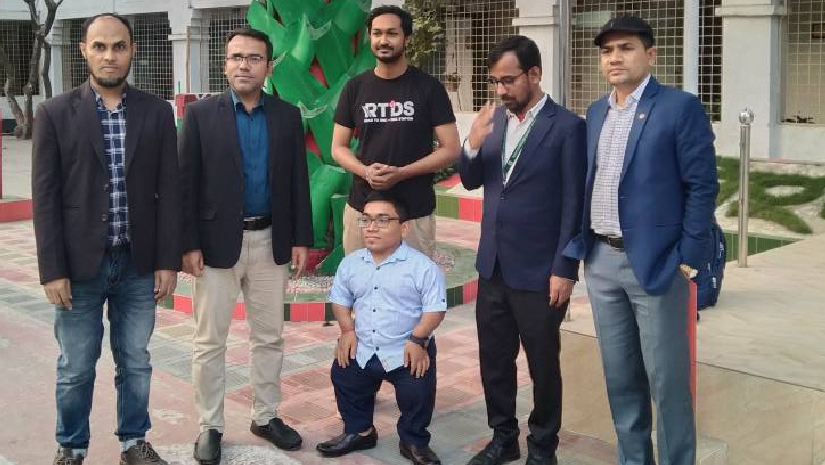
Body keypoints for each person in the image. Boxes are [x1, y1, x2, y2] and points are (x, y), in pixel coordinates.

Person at [563, 16, 719, 465]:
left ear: (650, 55)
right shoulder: (596, 111)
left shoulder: (679, 108)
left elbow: (702, 186)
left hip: (656, 264)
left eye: (626, 48)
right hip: (601, 262)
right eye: (607, 51)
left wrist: (688, 258)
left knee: (667, 381)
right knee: (621, 379)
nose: (614, 58)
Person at [31, 13, 180, 465]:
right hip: (78, 268)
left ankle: (134, 443)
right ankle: (71, 447)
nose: (109, 55)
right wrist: (52, 270)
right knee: (76, 367)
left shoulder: (157, 112)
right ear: (84, 51)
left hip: (138, 264)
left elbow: (169, 191)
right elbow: (45, 199)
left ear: (132, 50)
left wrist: (167, 260)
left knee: (135, 361)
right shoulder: (54, 113)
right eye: (100, 46)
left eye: (118, 46)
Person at [177, 27, 313, 465]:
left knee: (269, 336)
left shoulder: (287, 116)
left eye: (254, 58)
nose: (244, 65)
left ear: (268, 66)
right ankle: (210, 426)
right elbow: (185, 184)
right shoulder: (200, 116)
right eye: (236, 57)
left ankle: (265, 416)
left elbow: (297, 180)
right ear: (225, 64)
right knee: (209, 340)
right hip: (216, 245)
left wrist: (301, 238)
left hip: (271, 240)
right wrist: (188, 243)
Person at [458, 36, 587, 465]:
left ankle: (543, 448)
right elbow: (471, 180)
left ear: (535, 74)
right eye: (495, 81)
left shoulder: (566, 127)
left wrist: (565, 267)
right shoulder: (493, 121)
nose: (501, 90)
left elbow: (574, 204)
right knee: (494, 360)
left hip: (540, 270)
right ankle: (504, 438)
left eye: (509, 80)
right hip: (493, 264)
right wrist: (471, 144)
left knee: (543, 366)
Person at [316, 192, 447, 465]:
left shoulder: (422, 267)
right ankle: (359, 431)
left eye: (383, 220)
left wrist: (418, 338)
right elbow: (340, 299)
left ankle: (413, 440)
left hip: (407, 348)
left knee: (417, 392)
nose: (371, 227)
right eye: (366, 220)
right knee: (343, 374)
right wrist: (347, 331)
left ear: (404, 227)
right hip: (364, 345)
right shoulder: (351, 263)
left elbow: (435, 308)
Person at [331, 5, 460, 258]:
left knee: (411, 283)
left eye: (392, 33)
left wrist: (402, 173)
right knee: (361, 281)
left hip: (413, 213)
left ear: (406, 38)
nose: (383, 40)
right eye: (377, 33)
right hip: (363, 210)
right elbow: (338, 147)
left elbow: (451, 148)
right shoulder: (354, 88)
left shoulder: (429, 88)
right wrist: (365, 171)